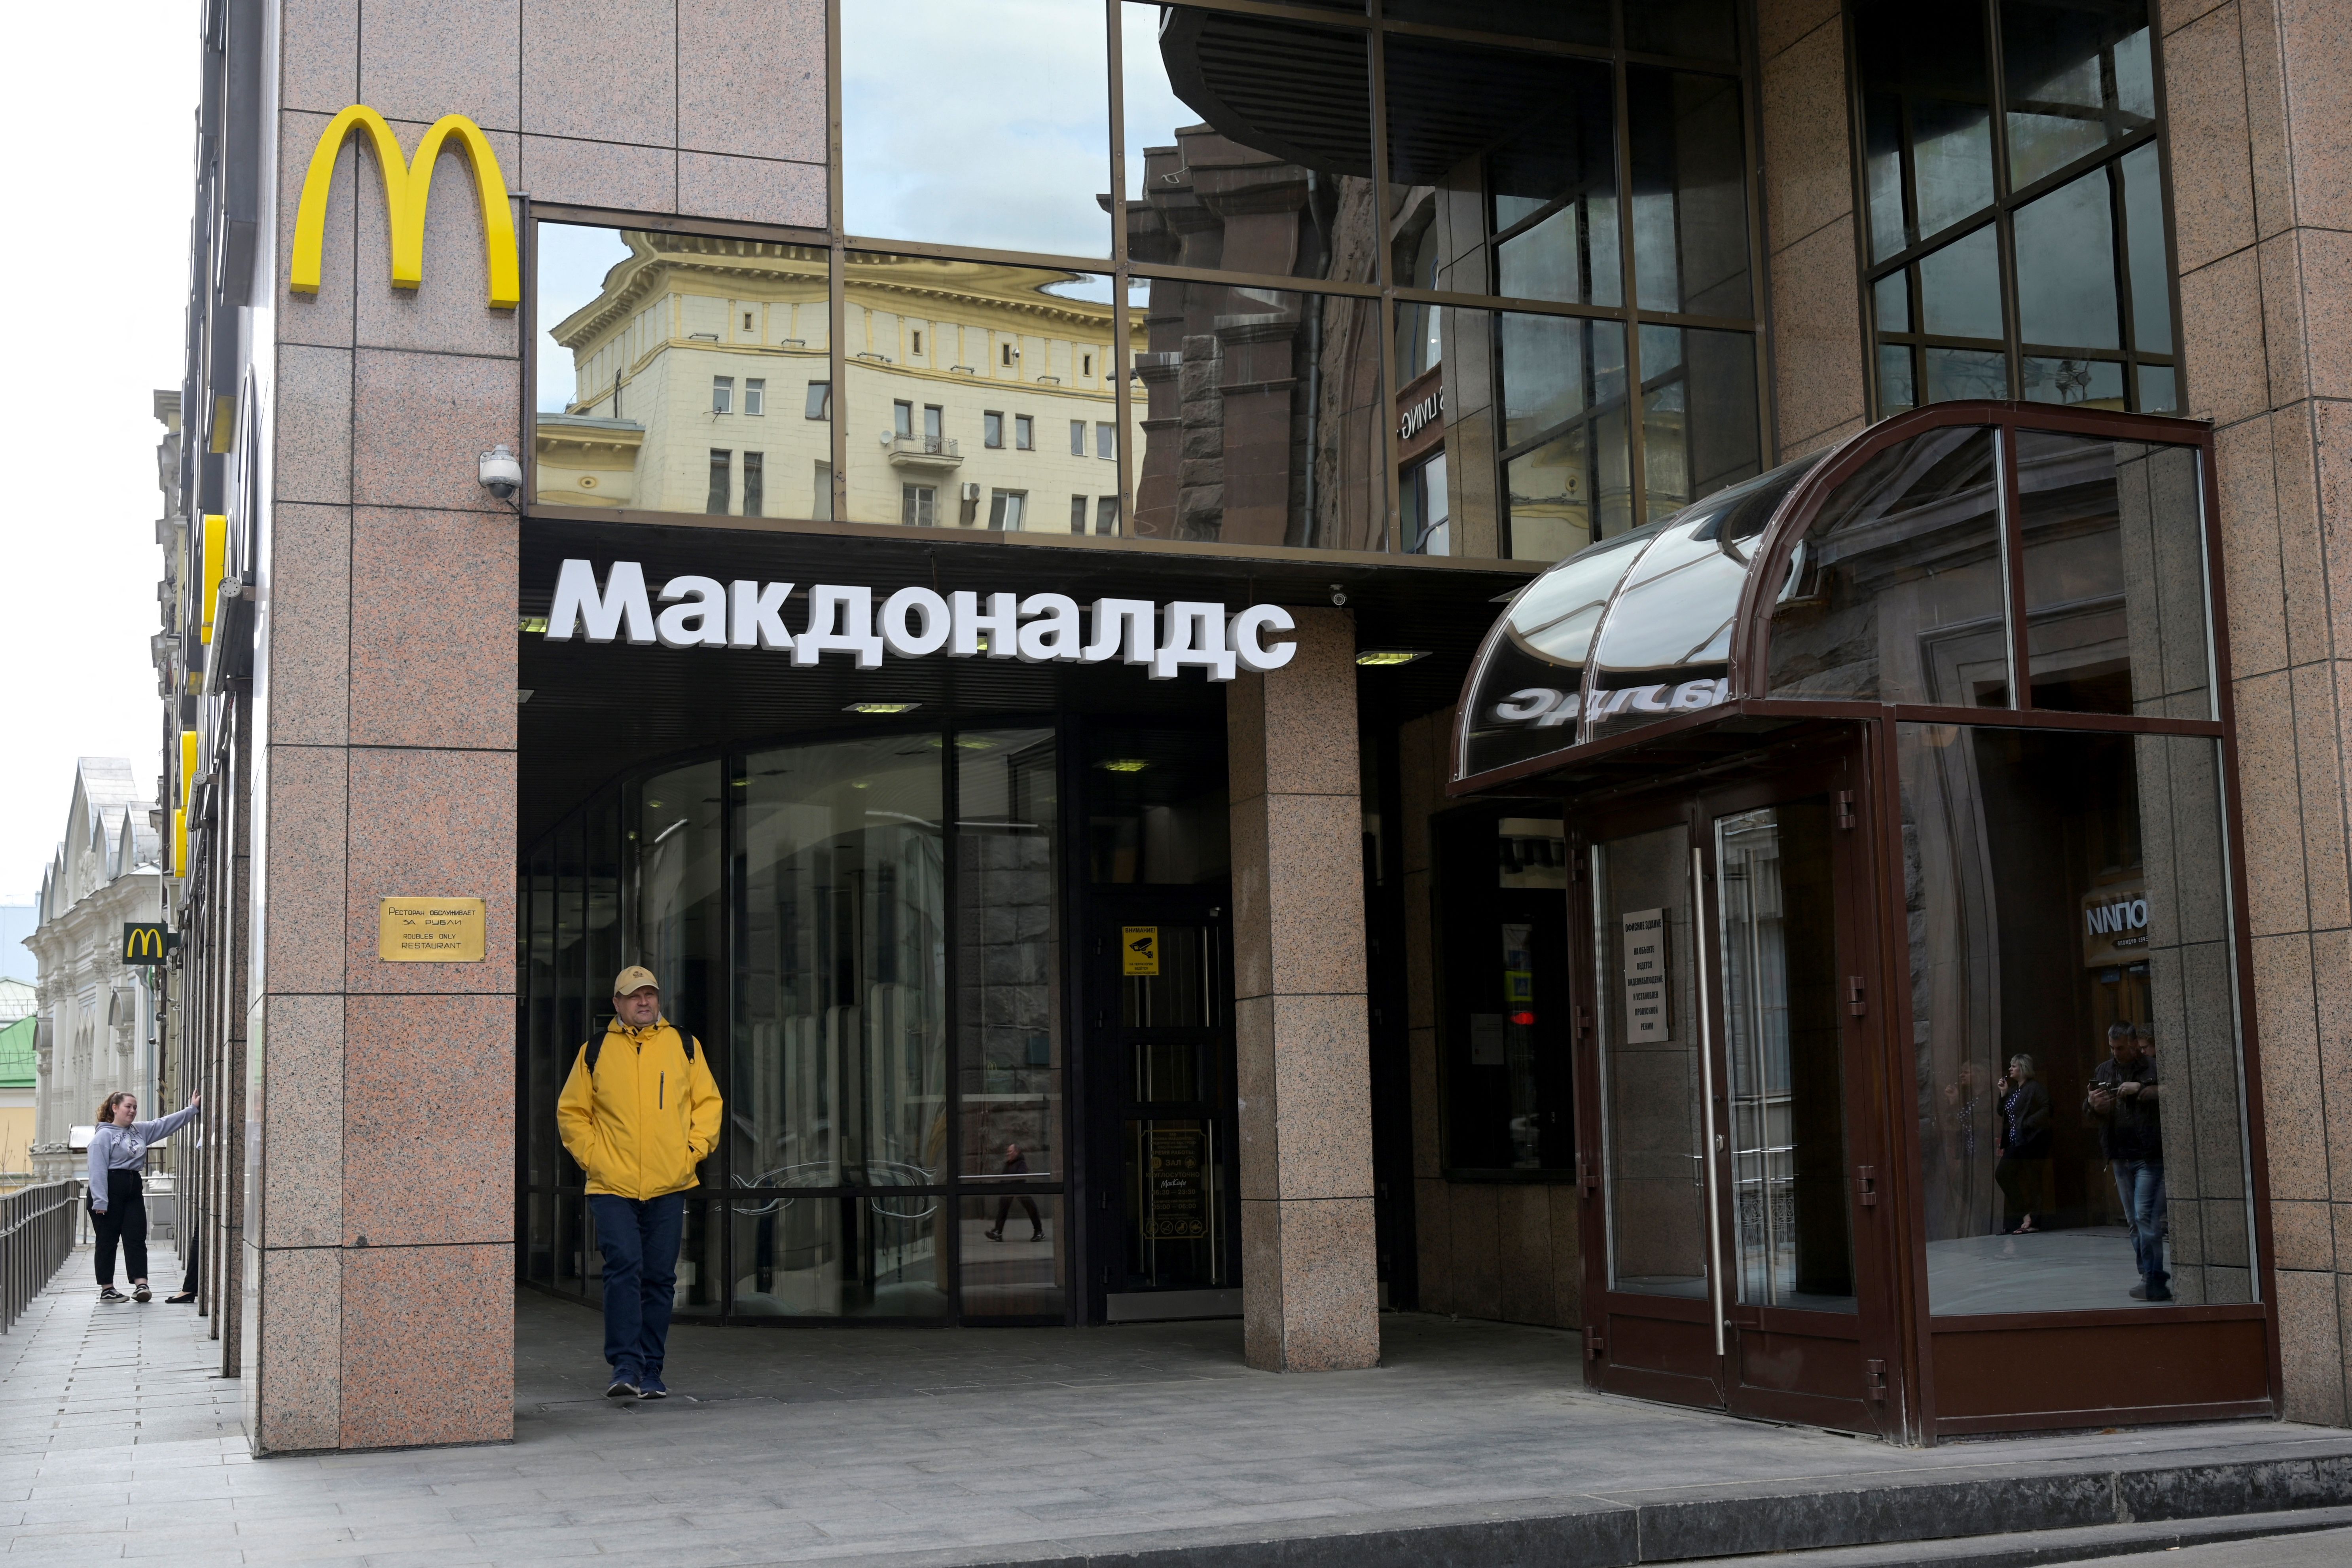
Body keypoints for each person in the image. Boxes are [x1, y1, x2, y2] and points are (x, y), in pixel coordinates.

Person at [557, 966, 722, 1400]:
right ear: (617, 1003)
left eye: (649, 994)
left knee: (660, 1278)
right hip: (612, 1184)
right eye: (634, 996)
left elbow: (708, 1105)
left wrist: (691, 1153)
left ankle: (652, 1369)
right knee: (624, 1267)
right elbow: (572, 1113)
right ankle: (625, 1365)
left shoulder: (684, 1045)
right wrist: (595, 1159)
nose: (643, 1002)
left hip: (668, 1183)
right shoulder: (595, 1051)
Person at [86, 1090, 201, 1304]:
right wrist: (101, 1201)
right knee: (107, 1240)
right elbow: (97, 1170)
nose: (132, 1111)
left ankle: (141, 1285)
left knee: (136, 1236)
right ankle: (107, 1289)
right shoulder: (103, 1137)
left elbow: (165, 1125)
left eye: (135, 1107)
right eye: (128, 1107)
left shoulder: (140, 1131)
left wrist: (192, 1109)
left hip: (133, 1188)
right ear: (115, 1108)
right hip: (108, 1190)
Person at [2086, 1021, 2168, 1301]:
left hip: (2147, 1154)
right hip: (2120, 1155)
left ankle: (2154, 1278)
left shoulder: (2152, 1067)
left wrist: (2141, 1089)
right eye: (2112, 1048)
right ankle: (2147, 1276)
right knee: (2134, 1221)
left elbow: (2172, 1093)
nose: (2116, 1053)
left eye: (2120, 1048)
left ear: (2134, 1045)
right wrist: (2093, 1105)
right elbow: (2090, 1108)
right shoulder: (2104, 1070)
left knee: (2144, 1217)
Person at [1993, 1054, 2053, 1234]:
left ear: (2023, 1068)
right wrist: (2003, 1093)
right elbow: (2001, 1112)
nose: (2010, 1069)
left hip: (2030, 1141)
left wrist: (2028, 1123)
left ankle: (2035, 1222)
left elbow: (2048, 1108)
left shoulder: (2035, 1088)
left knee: (2033, 1180)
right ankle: (2025, 1216)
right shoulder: (2013, 1090)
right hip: (2014, 1142)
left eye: (2014, 1066)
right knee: (2002, 1174)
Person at [984, 1143, 1041, 1242]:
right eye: (1008, 1152)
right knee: (1003, 1209)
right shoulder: (1008, 1164)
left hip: (1020, 1190)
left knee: (1032, 1209)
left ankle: (1039, 1232)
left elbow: (1021, 1176)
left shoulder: (1021, 1163)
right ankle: (998, 1232)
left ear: (1016, 1152)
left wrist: (1010, 1184)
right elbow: (1003, 1178)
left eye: (1010, 1151)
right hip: (1009, 1190)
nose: (1008, 1154)